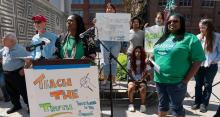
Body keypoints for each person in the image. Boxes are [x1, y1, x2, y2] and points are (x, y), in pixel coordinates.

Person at [152, 13, 206, 117]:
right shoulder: (163, 38)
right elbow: (157, 55)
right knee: (162, 106)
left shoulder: (190, 38)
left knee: (176, 108)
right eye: (169, 21)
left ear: (182, 23)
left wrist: (186, 80)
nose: (172, 23)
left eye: (175, 21)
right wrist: (149, 59)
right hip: (159, 80)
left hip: (177, 82)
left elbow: (198, 61)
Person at [191, 19, 220, 113]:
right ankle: (197, 102)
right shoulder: (197, 37)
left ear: (209, 27)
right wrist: (199, 40)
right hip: (198, 65)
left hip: (211, 65)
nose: (201, 30)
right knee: (198, 84)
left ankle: (204, 104)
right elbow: (193, 51)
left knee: (208, 84)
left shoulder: (217, 36)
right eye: (200, 27)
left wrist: (213, 60)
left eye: (203, 27)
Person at [0, 32, 31, 114]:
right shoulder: (5, 48)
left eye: (4, 38)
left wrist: (24, 69)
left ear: (12, 41)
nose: (2, 39)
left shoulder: (20, 49)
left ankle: (30, 106)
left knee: (24, 91)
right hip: (7, 74)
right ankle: (16, 105)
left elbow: (30, 59)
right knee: (11, 92)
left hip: (17, 74)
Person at [99, 3, 121, 85]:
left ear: (114, 10)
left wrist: (127, 24)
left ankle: (113, 80)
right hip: (105, 42)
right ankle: (105, 79)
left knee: (114, 61)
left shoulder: (120, 19)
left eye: (111, 8)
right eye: (107, 8)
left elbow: (123, 29)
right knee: (105, 61)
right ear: (106, 10)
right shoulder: (101, 19)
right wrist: (95, 23)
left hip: (116, 43)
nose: (109, 9)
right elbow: (98, 30)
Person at [127, 46, 152, 113]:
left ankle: (143, 105)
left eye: (139, 52)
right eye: (136, 51)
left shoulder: (145, 61)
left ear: (142, 53)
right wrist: (133, 79)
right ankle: (131, 104)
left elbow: (147, 72)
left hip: (142, 78)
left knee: (143, 88)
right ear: (134, 52)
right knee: (131, 87)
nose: (137, 53)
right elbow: (128, 72)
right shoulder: (130, 60)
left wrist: (142, 79)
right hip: (132, 78)